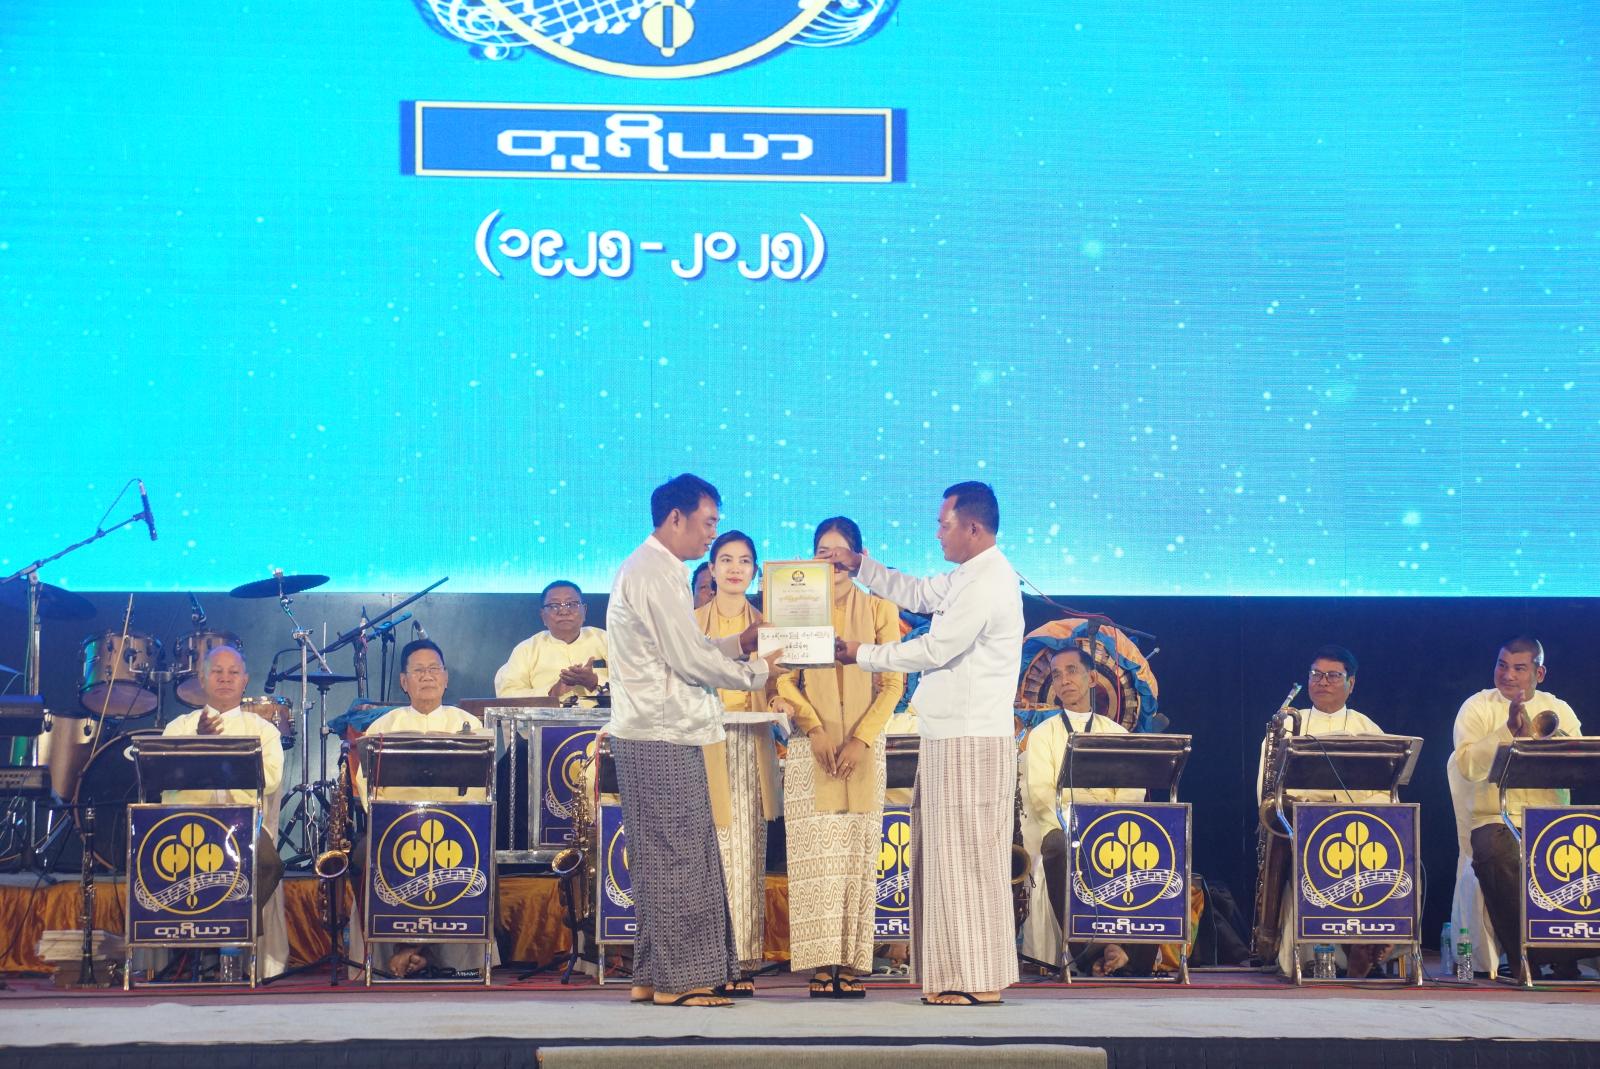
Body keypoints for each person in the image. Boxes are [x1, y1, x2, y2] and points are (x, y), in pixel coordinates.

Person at [830, 481, 1023, 1006]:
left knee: (965, 860)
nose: (938, 533)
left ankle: (975, 978)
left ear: (973, 528)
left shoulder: (987, 582)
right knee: (950, 858)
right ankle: (964, 974)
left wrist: (862, 655)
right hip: (952, 734)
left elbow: (936, 649)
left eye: (944, 524)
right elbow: (917, 594)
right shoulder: (969, 575)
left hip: (969, 737)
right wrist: (861, 565)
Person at [605, 473, 783, 1007]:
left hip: (658, 729)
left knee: (665, 856)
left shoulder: (657, 569)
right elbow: (685, 659)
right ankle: (680, 981)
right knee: (677, 855)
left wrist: (737, 643)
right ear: (676, 517)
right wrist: (755, 672)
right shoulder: (655, 572)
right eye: (708, 522)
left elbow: (684, 646)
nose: (712, 534)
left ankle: (652, 974)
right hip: (662, 731)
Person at [775, 516, 905, 998]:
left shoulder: (879, 606)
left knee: (855, 859)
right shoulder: (797, 605)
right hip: (812, 748)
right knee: (814, 859)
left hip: (863, 749)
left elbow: (892, 681)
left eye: (839, 551)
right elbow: (783, 677)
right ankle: (818, 963)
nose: (831, 561)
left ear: (857, 555)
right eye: (822, 552)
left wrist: (861, 739)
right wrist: (814, 728)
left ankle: (850, 963)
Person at [351, 639, 496, 978]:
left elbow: (483, 786)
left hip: (457, 828)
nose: (427, 676)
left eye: (434, 669)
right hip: (396, 827)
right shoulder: (384, 727)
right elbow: (365, 785)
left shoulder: (470, 726)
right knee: (363, 856)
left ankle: (412, 951)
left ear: (445, 678)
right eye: (418, 671)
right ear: (404, 682)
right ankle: (411, 951)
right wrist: (393, 819)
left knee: (484, 857)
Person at [1253, 645, 1391, 978]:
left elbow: (1385, 791)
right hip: (1299, 823)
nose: (1322, 682)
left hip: (1355, 824)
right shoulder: (1287, 725)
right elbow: (1268, 791)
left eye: (1332, 676)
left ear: (1351, 683)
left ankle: (1362, 945)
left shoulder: (1367, 728)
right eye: (1316, 675)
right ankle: (1324, 953)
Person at [1452, 637, 1585, 980]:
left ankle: (1572, 954)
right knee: (1499, 852)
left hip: (1550, 819)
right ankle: (1525, 956)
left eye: (1519, 668)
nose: (1508, 675)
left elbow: (1578, 762)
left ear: (1539, 673)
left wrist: (1546, 739)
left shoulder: (1557, 708)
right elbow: (1466, 764)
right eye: (1502, 665)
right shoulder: (1477, 706)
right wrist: (1507, 730)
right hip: (1494, 818)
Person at [1021, 644, 1153, 977]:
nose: (1064, 680)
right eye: (1056, 674)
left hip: (1115, 827)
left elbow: (1132, 791)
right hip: (1064, 827)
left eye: (1072, 671)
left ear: (1092, 678)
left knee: (1153, 845)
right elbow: (1041, 794)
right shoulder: (1042, 735)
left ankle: (1128, 956)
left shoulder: (1117, 733)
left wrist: (1107, 822)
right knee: (1057, 846)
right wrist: (1078, 824)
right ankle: (1093, 952)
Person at [159, 645, 287, 974]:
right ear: (202, 679)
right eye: (217, 672)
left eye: (233, 673)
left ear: (245, 681)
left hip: (242, 826)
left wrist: (223, 755)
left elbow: (270, 780)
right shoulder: (179, 727)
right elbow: (164, 780)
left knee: (268, 863)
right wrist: (197, 744)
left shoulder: (263, 731)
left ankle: (230, 942)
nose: (225, 679)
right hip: (186, 826)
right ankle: (191, 951)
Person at [693, 530, 780, 993]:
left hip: (749, 741)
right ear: (711, 569)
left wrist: (780, 694)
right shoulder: (690, 623)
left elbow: (781, 680)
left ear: (755, 571)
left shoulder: (769, 625)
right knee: (703, 852)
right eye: (725, 559)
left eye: (744, 561)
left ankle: (742, 957)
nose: (734, 568)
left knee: (746, 850)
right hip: (700, 745)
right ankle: (705, 958)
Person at [493, 581, 609, 700]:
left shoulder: (606, 640)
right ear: (543, 615)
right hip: (545, 713)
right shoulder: (526, 649)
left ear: (584, 610)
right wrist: (551, 692)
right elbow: (507, 695)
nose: (564, 611)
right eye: (554, 606)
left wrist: (595, 682)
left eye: (572, 604)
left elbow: (623, 684)